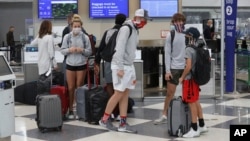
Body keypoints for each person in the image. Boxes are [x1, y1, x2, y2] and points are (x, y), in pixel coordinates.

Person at [99, 9, 151, 133]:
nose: (146, 22)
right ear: (138, 18)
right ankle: (104, 120)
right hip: (120, 66)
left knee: (125, 93)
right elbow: (119, 48)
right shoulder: (126, 29)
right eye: (144, 19)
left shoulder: (134, 29)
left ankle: (123, 123)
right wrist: (120, 68)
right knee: (118, 93)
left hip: (128, 65)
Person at [154, 13, 186, 125]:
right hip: (174, 68)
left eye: (181, 21)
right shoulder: (170, 35)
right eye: (177, 21)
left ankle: (189, 116)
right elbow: (167, 54)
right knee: (170, 93)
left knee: (188, 94)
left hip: (186, 68)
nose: (180, 23)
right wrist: (167, 71)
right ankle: (164, 114)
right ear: (174, 22)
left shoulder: (188, 34)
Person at [94, 13, 127, 119]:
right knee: (121, 88)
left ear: (115, 21)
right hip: (122, 63)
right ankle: (119, 112)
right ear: (124, 21)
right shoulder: (126, 32)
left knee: (110, 85)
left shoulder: (108, 32)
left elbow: (101, 48)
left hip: (109, 61)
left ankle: (111, 111)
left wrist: (97, 62)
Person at [60, 14, 92, 120]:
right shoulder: (67, 37)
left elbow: (89, 52)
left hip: (81, 64)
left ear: (81, 26)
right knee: (70, 88)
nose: (77, 28)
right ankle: (70, 109)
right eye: (75, 26)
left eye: (78, 26)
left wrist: (81, 50)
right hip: (70, 64)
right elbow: (62, 50)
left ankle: (79, 109)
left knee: (79, 87)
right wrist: (70, 50)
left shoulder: (85, 37)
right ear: (71, 26)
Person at [179, 27, 208, 138]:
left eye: (187, 36)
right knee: (196, 101)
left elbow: (188, 66)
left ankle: (194, 128)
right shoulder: (197, 48)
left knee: (191, 103)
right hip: (196, 79)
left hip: (189, 80)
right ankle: (202, 124)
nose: (185, 38)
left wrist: (182, 77)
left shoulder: (188, 49)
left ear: (191, 37)